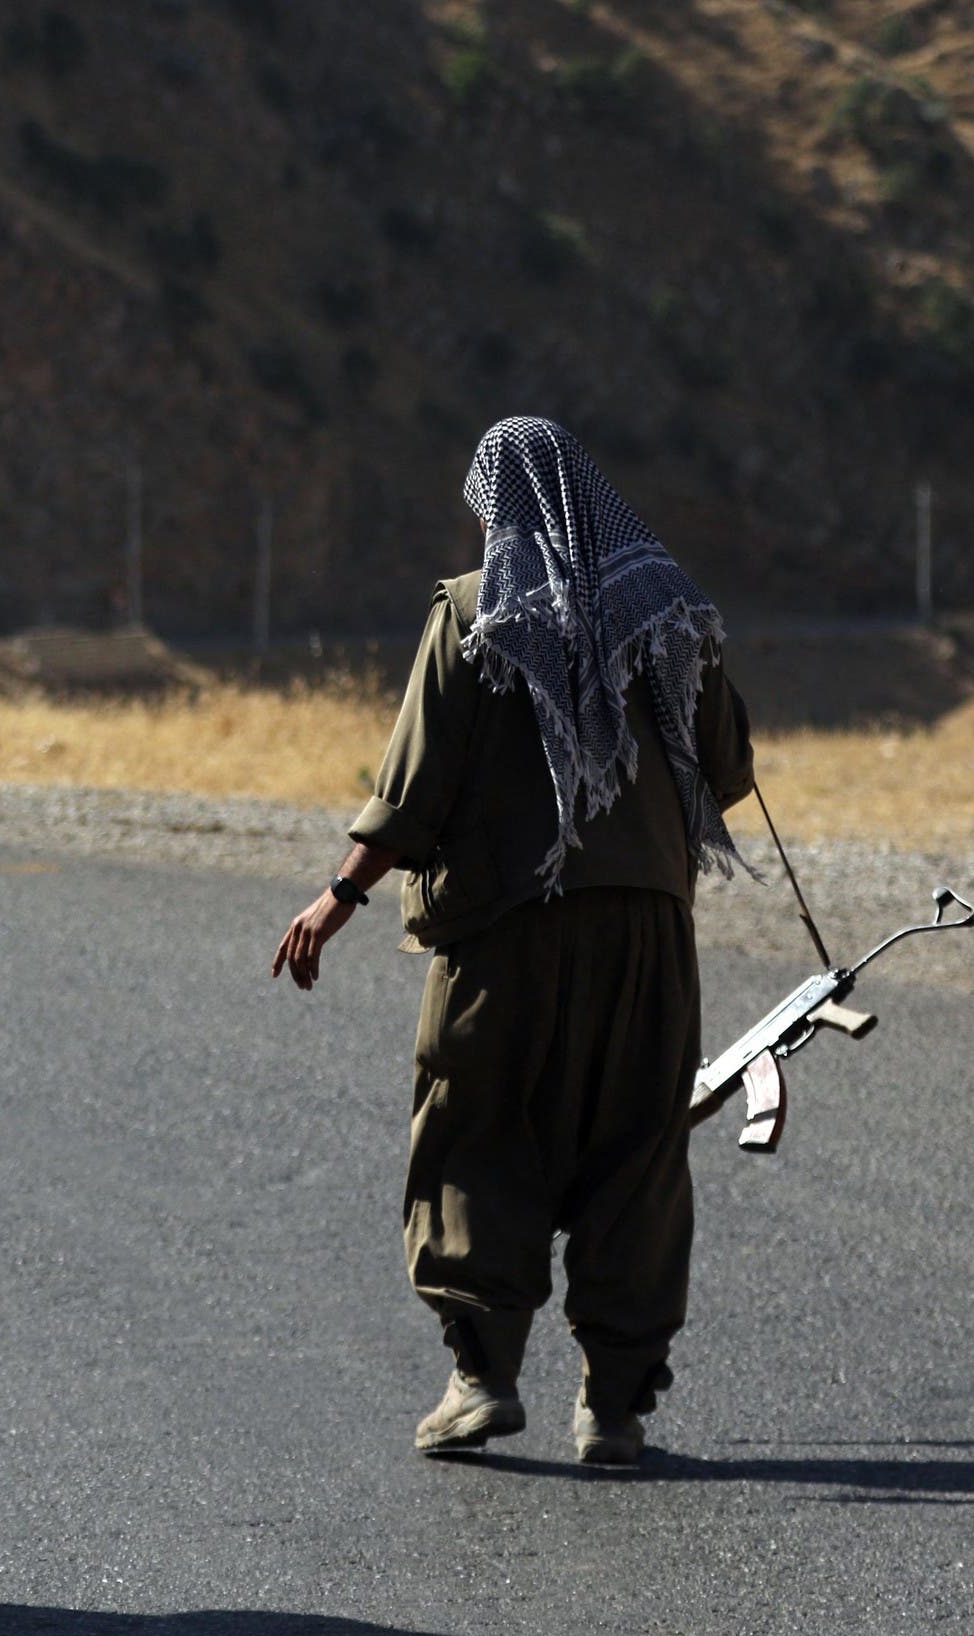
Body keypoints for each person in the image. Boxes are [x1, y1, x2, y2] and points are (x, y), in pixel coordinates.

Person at [271, 417, 754, 1468]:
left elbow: (414, 792)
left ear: (500, 504)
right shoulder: (671, 610)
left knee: (476, 1136)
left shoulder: (470, 612)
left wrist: (336, 898)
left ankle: (481, 1381)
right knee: (636, 1151)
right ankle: (614, 1408)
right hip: (646, 939)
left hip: (505, 934)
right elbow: (726, 774)